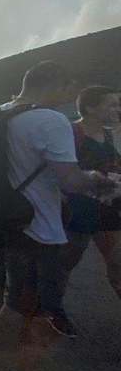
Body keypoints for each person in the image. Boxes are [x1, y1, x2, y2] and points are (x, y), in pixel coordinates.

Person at [0, 62, 116, 371]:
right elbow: (70, 180)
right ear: (56, 84)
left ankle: (1, 363)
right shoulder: (50, 120)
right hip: (37, 226)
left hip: (6, 218)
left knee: (13, 294)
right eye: (69, 88)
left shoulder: (4, 112)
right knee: (25, 302)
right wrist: (100, 182)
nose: (70, 96)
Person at [61, 87, 121, 303]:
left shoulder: (109, 135)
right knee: (65, 264)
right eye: (112, 104)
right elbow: (60, 173)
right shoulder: (70, 133)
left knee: (117, 263)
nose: (118, 108)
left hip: (109, 209)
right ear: (90, 108)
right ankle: (43, 309)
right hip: (77, 213)